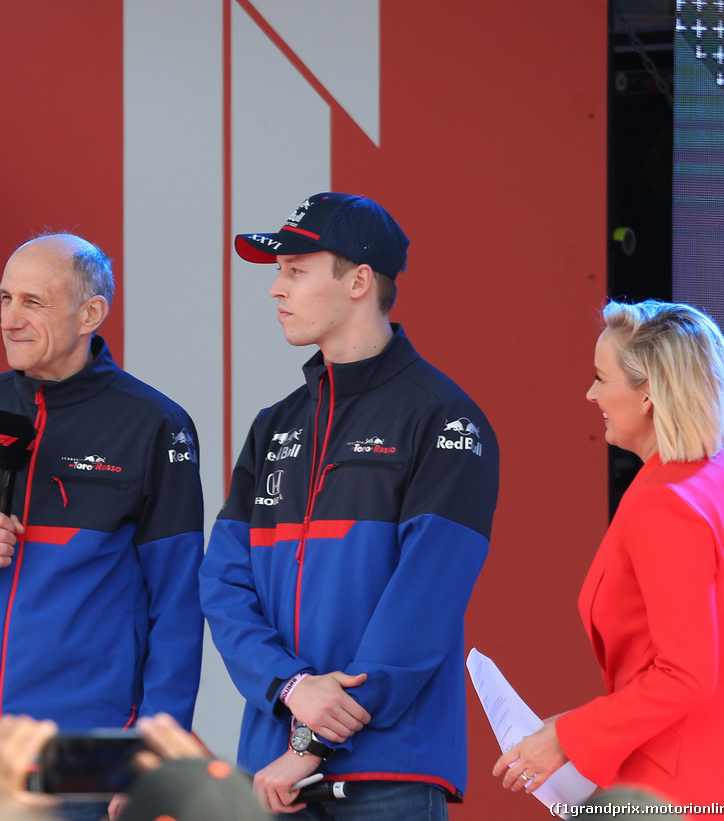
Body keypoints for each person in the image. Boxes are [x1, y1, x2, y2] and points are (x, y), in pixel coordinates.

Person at [199, 193, 499, 819]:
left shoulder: (445, 418)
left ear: (359, 281)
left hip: (387, 772)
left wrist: (313, 740)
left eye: (296, 271)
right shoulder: (272, 425)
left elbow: (425, 599)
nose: (276, 290)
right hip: (272, 775)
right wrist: (290, 687)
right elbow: (223, 583)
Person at [0, 233, 205, 821]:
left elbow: (178, 606)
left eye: (32, 302)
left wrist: (154, 751)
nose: (10, 319)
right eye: (5, 298)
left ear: (90, 312)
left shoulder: (154, 424)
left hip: (88, 751)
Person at [493, 300, 724, 812]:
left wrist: (568, 735)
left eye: (601, 378)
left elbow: (686, 674)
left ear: (648, 391)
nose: (591, 394)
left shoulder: (663, 501)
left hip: (687, 782)